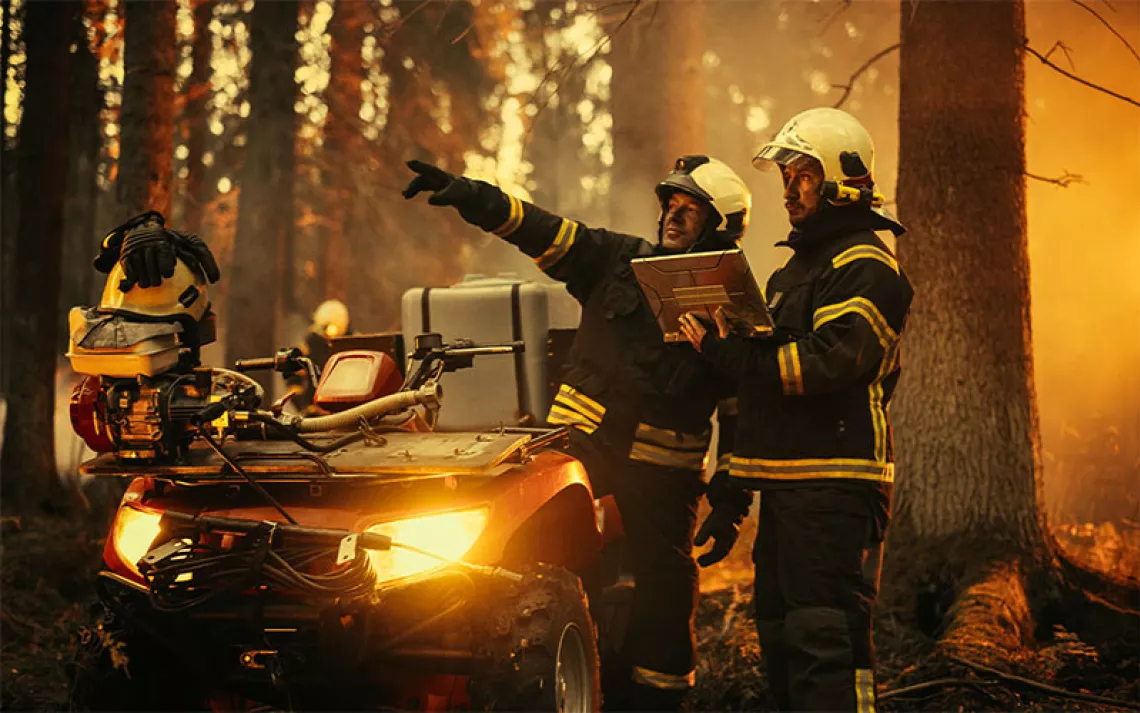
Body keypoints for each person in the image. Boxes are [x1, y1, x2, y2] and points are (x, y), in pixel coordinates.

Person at [404, 155, 752, 710]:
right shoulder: (615, 259)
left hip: (666, 479)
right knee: (532, 548)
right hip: (581, 448)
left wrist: (732, 493)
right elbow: (540, 227)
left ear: (721, 228)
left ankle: (654, 703)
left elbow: (743, 405)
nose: (673, 217)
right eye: (671, 205)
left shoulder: (732, 305)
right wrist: (471, 195)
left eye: (691, 211)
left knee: (666, 590)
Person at [678, 107, 914, 712]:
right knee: (783, 639)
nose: (788, 190)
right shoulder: (793, 270)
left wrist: (729, 352)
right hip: (788, 487)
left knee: (824, 642)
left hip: (836, 487)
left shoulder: (868, 265)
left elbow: (823, 364)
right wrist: (732, 490)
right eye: (785, 176)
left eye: (803, 175)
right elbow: (764, 388)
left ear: (844, 179)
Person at [286, 299, 351, 412]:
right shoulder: (310, 346)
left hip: (346, 410)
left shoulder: (352, 345)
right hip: (315, 410)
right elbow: (293, 376)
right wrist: (303, 405)